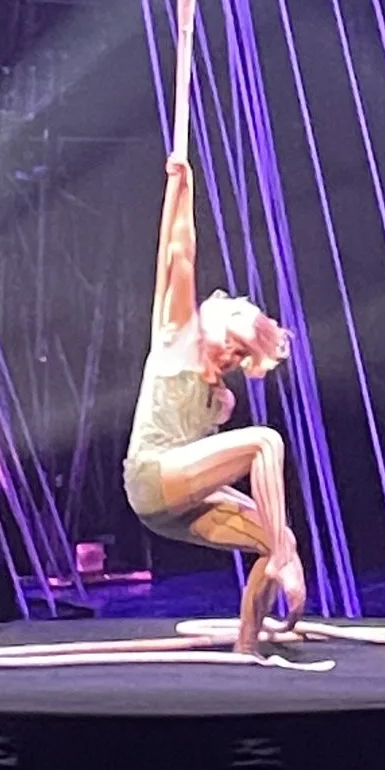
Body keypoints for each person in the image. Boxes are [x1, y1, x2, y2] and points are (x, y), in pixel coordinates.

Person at [122, 151, 306, 656]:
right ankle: (284, 564)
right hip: (151, 478)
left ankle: (248, 645)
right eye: (233, 345)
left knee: (278, 537)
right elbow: (178, 257)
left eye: (242, 357)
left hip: (178, 502)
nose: (231, 358)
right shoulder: (177, 338)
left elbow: (210, 470)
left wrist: (275, 537)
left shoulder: (220, 399)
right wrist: (181, 190)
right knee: (264, 441)